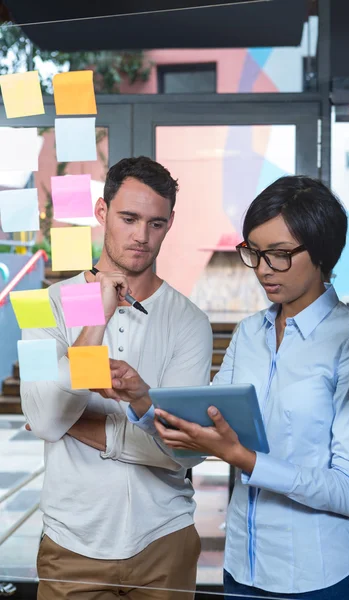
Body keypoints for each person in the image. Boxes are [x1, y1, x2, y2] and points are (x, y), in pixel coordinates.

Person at [151, 176, 349, 599]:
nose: (262, 269)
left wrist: (244, 458)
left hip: (320, 578)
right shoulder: (249, 333)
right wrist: (138, 399)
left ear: (321, 254)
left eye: (278, 255)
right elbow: (205, 425)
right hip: (244, 568)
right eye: (254, 253)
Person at [21, 156, 213, 600]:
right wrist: (96, 316)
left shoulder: (190, 322)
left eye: (156, 223)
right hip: (71, 541)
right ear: (102, 212)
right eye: (129, 218)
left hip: (164, 539)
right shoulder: (40, 307)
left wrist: (96, 430)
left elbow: (181, 453)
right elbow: (48, 422)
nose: (141, 236)